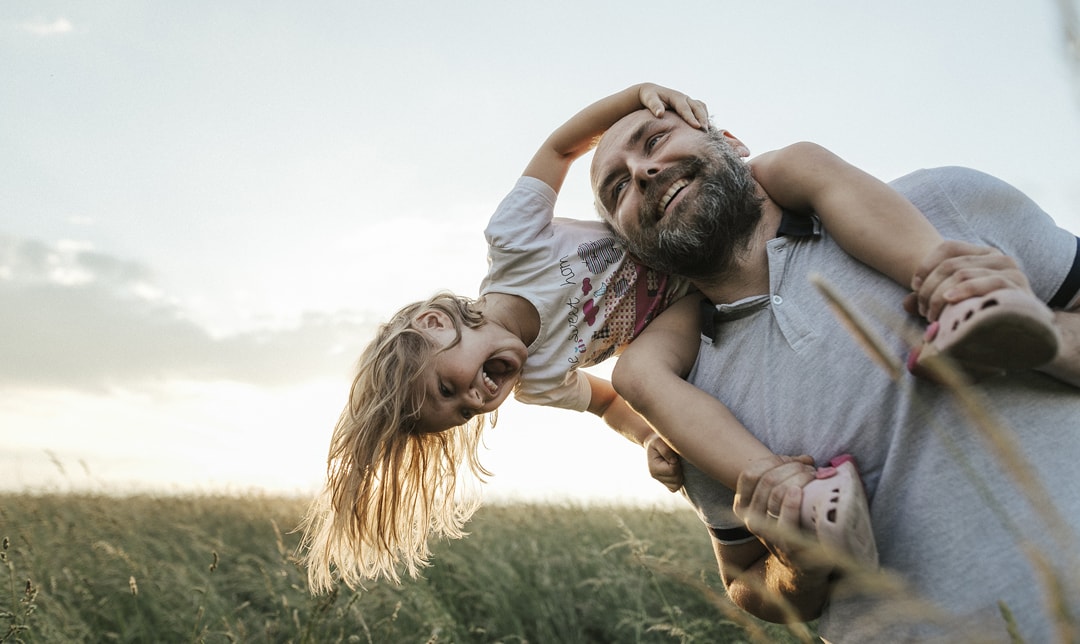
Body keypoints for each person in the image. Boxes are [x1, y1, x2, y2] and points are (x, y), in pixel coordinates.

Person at [297, 83, 1051, 595]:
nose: (479, 396)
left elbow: (560, 147)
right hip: (679, 305)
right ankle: (793, 494)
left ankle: (951, 287)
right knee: (638, 379)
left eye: (450, 386)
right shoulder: (540, 381)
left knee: (799, 160)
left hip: (704, 253)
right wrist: (657, 444)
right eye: (464, 412)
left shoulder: (514, 244)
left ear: (436, 323)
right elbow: (608, 405)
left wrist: (635, 97)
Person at [592, 104, 1080, 642]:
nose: (642, 172)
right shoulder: (683, 401)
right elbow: (745, 584)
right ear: (633, 246)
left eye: (656, 139)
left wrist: (1044, 336)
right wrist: (798, 564)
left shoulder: (942, 204)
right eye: (618, 190)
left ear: (729, 141)